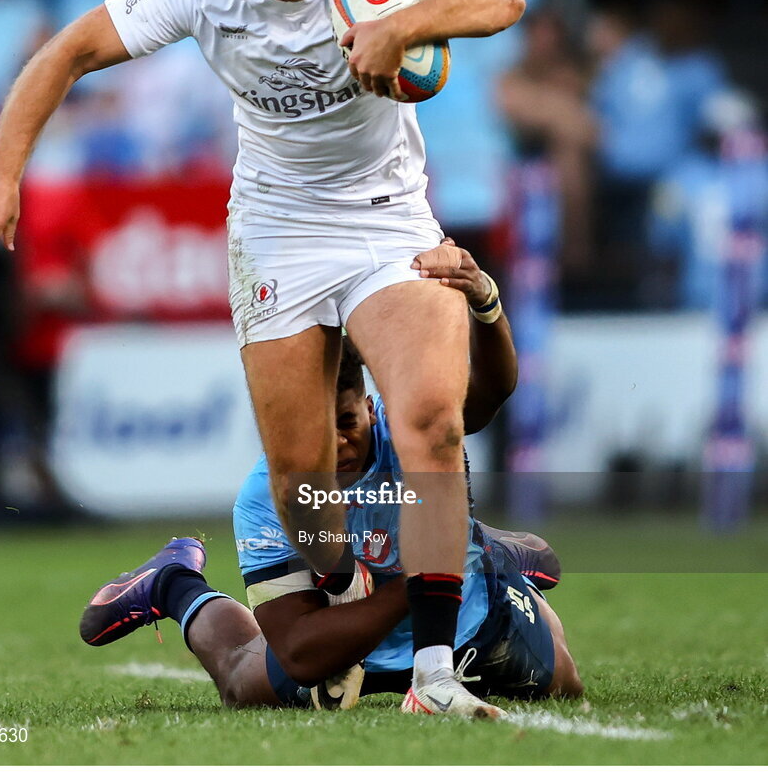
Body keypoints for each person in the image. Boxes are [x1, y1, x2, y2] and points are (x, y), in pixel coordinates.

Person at [0, 0, 525, 717]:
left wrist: (404, 23)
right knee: (304, 489)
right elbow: (66, 51)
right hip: (278, 234)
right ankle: (328, 595)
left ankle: (435, 675)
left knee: (432, 425)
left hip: (387, 222)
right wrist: (1, 174)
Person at [79, 242, 581, 713]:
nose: (339, 443)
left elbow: (491, 393)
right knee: (241, 683)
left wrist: (486, 302)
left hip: (463, 621)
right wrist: (431, 569)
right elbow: (299, 652)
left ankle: (485, 552)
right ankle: (172, 583)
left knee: (564, 683)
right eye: (321, 430)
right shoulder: (264, 494)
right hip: (351, 626)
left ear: (368, 408)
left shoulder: (409, 429)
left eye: (347, 424)